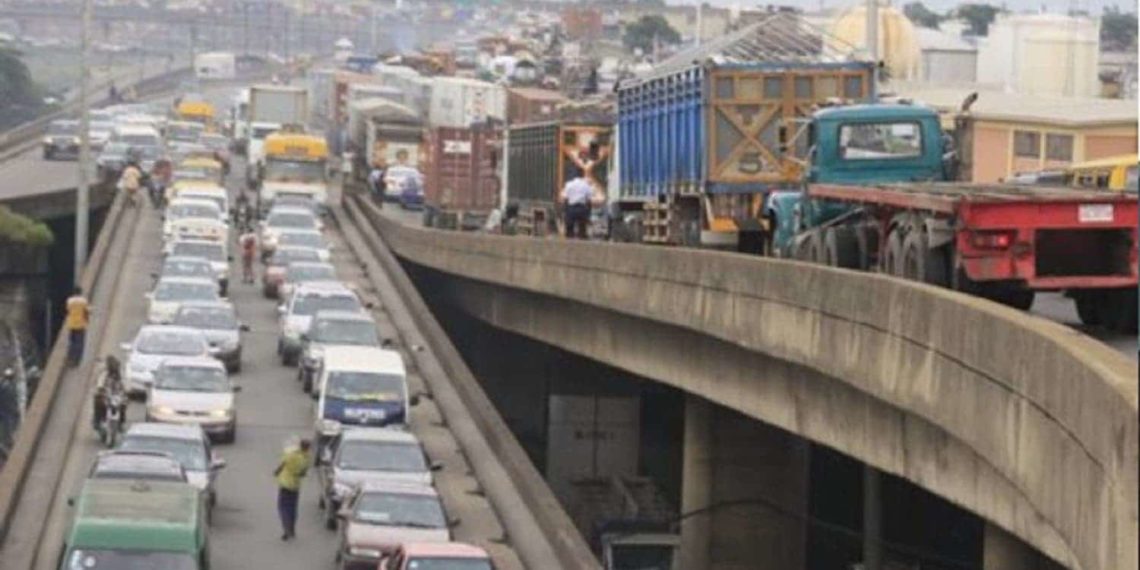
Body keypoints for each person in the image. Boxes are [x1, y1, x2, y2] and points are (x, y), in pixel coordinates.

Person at [274, 438, 311, 541]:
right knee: (293, 508)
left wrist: (277, 472)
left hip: (285, 483)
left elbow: (282, 464)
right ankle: (292, 529)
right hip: (295, 485)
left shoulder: (291, 454)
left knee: (283, 507)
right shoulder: (306, 458)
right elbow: (303, 473)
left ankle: (286, 529)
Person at [65, 287, 89, 367]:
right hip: (81, 325)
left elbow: (68, 310)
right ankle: (76, 361)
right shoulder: (83, 301)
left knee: (72, 342)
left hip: (72, 324)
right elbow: (86, 311)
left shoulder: (69, 301)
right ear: (80, 292)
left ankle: (70, 359)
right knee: (80, 343)